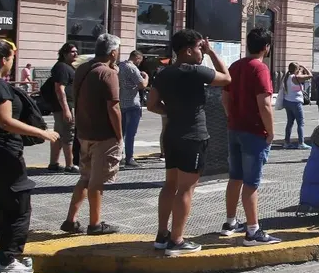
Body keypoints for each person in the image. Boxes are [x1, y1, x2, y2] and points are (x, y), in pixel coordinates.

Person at [0, 39, 59, 273]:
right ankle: (8, 261)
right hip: (0, 153)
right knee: (19, 205)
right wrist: (42, 133)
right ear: (3, 60)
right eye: (11, 58)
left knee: (7, 198)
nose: (12, 62)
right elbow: (5, 121)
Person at [147, 30, 231, 256]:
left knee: (170, 185)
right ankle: (177, 240)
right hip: (193, 136)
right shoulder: (195, 71)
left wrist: (172, 112)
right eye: (199, 48)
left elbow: (152, 104)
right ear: (188, 50)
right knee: (186, 188)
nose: (201, 52)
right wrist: (212, 53)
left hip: (172, 134)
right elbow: (227, 78)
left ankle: (162, 235)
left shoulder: (163, 73)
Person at [220, 26, 281, 245]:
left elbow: (224, 98)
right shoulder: (260, 69)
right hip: (254, 131)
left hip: (234, 128)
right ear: (266, 47)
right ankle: (253, 230)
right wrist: (271, 132)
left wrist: (232, 116)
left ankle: (230, 222)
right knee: (251, 182)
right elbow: (264, 104)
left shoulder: (235, 66)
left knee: (235, 178)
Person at [61, 34, 123, 235]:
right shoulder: (108, 73)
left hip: (84, 132)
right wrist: (119, 135)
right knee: (97, 181)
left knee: (85, 177)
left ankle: (71, 220)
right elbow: (114, 107)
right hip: (103, 134)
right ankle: (95, 224)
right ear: (112, 53)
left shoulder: (83, 68)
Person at [47, 43, 78, 174]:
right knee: (68, 135)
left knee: (59, 135)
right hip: (66, 107)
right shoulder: (62, 67)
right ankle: (70, 165)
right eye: (72, 52)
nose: (76, 54)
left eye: (76, 51)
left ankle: (53, 163)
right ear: (64, 54)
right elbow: (59, 89)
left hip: (64, 106)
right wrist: (66, 109)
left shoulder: (66, 67)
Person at [118, 49, 149, 167]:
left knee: (121, 132)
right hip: (133, 103)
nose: (140, 63)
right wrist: (146, 77)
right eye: (140, 60)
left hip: (122, 103)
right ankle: (129, 158)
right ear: (137, 58)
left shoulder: (120, 66)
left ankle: (119, 155)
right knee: (131, 133)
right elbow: (142, 85)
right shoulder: (132, 68)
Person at [282, 62, 312, 149]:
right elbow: (310, 75)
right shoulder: (296, 77)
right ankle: (301, 143)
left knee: (290, 122)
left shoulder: (287, 77)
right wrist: (304, 67)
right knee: (300, 123)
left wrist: (299, 70)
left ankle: (286, 142)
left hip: (287, 101)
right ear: (296, 69)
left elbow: (294, 88)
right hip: (295, 102)